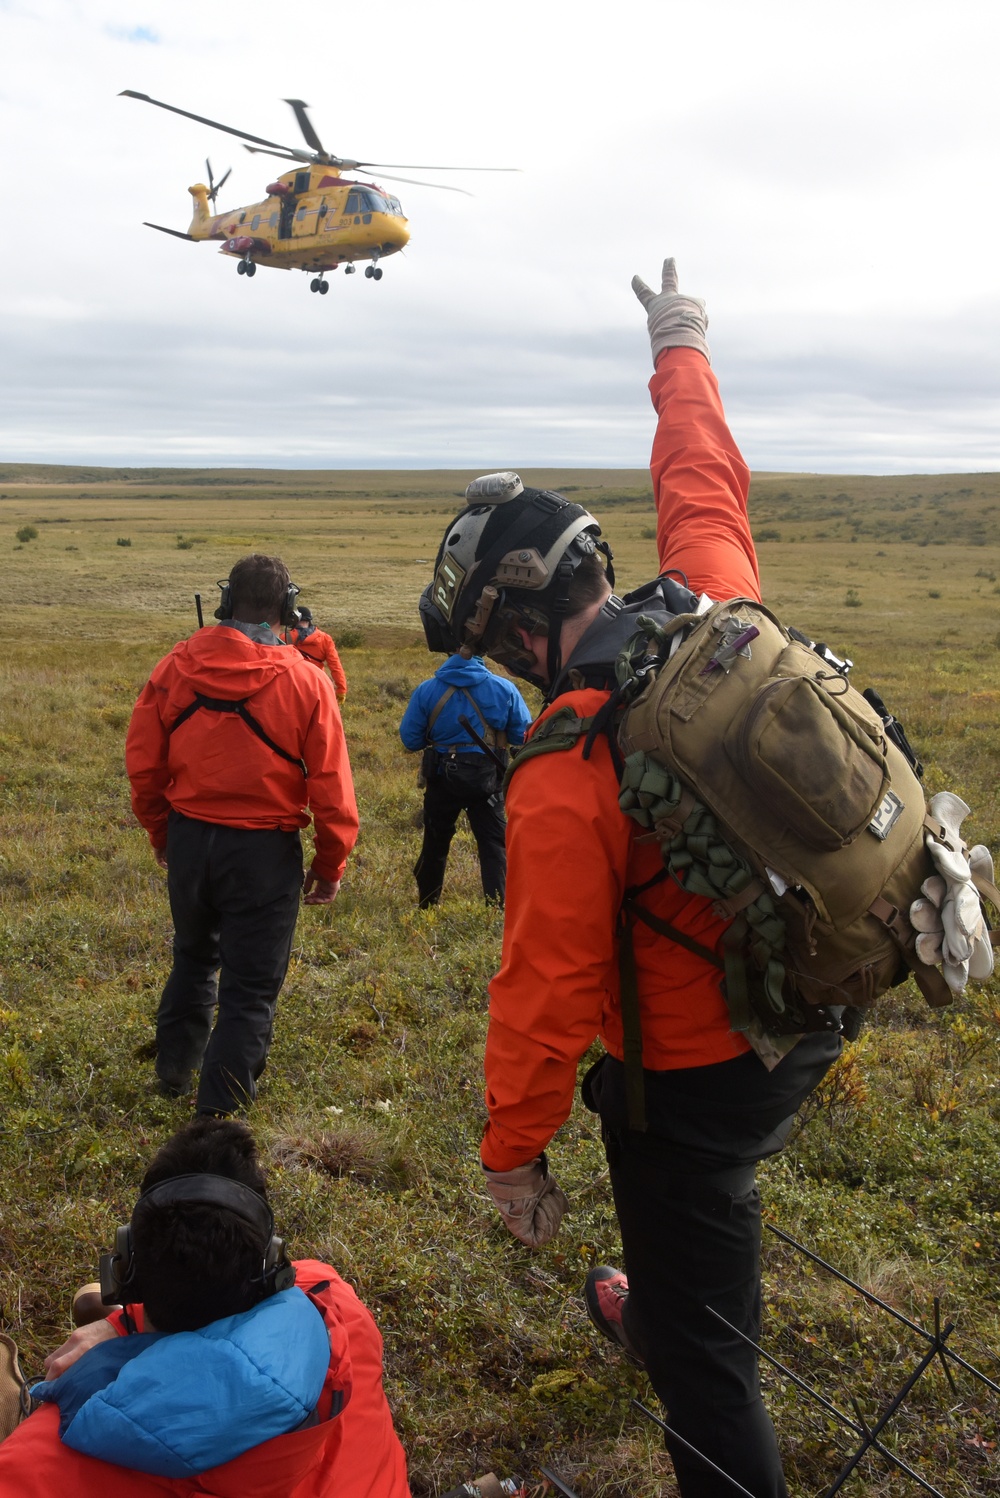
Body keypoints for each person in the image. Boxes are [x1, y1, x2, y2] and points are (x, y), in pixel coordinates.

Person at [417, 261, 842, 1498]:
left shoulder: (564, 764)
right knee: (699, 1233)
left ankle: (678, 1327)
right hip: (814, 1005)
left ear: (511, 624)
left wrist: (512, 1156)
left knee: (711, 1362)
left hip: (697, 1082)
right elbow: (702, 473)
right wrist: (680, 339)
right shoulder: (718, 598)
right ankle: (660, 1297)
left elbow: (545, 987)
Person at [0, 1116, 410, 1497]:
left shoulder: (35, 1460)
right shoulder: (336, 1304)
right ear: (272, 1268)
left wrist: (120, 1331)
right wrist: (117, 1327)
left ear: (126, 1270)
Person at [125, 554, 359, 1116]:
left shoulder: (174, 666)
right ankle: (218, 1119)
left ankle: (174, 1074)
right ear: (287, 608)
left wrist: (163, 834)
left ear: (226, 603)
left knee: (192, 957)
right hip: (262, 853)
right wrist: (329, 868)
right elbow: (332, 790)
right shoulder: (308, 680)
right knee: (250, 989)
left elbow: (143, 765)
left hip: (189, 839)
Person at [399, 653, 532, 907]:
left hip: (441, 777)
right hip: (488, 780)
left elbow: (410, 740)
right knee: (493, 844)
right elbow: (522, 734)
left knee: (435, 842)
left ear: (447, 655)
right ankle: (497, 907)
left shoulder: (426, 690)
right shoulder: (504, 688)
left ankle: (427, 903)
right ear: (482, 654)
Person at [286, 606, 349, 702]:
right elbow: (335, 666)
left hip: (292, 686)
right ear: (309, 620)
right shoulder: (325, 639)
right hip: (318, 685)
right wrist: (341, 689)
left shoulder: (284, 638)